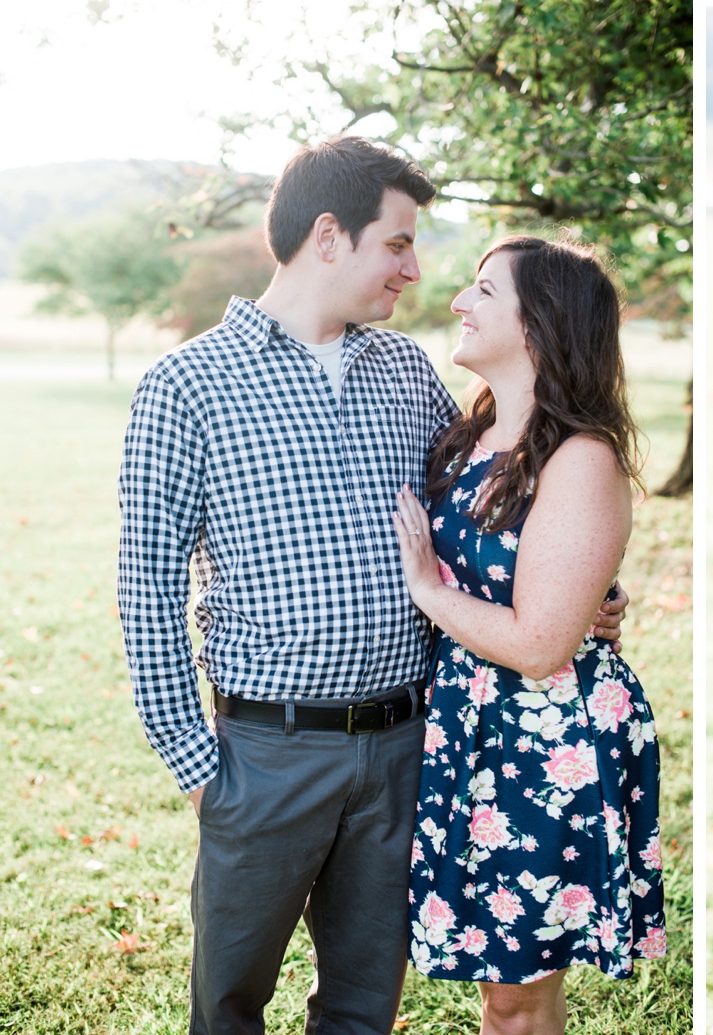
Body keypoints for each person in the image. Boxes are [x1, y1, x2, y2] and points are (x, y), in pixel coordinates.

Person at [117, 137, 626, 1035]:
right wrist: (202, 771)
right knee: (228, 1004)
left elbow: (483, 521)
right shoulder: (184, 386)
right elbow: (145, 594)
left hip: (405, 749)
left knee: (363, 1008)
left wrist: (588, 600)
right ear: (328, 236)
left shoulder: (406, 376)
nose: (415, 270)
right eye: (397, 243)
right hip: (265, 754)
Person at [391, 234, 666, 1035]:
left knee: (519, 995)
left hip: (545, 742)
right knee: (495, 986)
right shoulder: (466, 438)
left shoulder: (580, 458)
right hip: (468, 729)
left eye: (484, 290)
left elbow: (542, 644)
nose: (458, 303)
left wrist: (424, 588)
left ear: (539, 323)